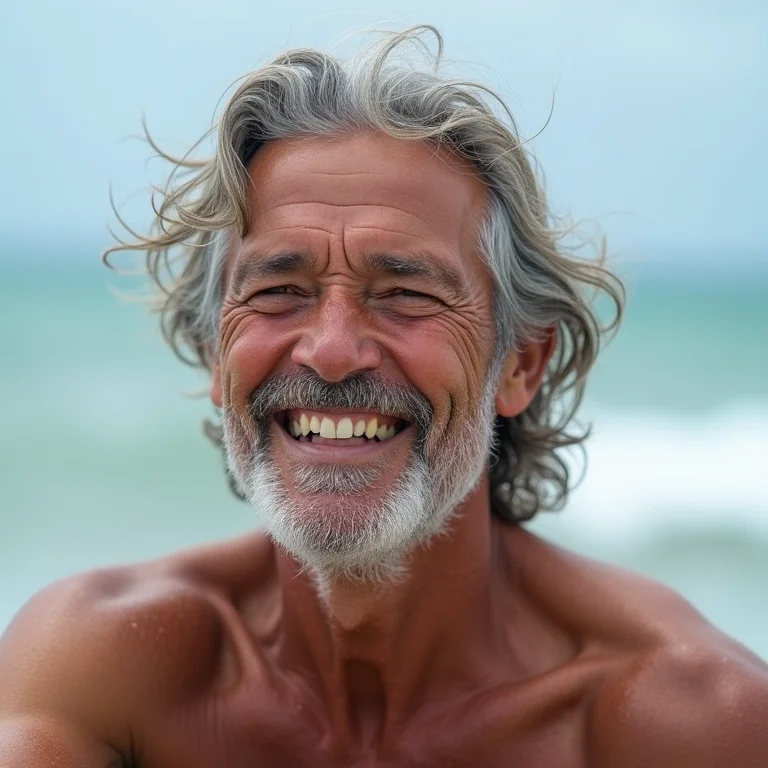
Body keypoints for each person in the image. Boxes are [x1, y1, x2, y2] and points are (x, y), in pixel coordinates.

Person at [1, 25, 767, 768]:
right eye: (279, 290)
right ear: (215, 352)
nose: (331, 350)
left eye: (404, 293)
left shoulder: (682, 720)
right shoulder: (103, 672)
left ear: (520, 366)